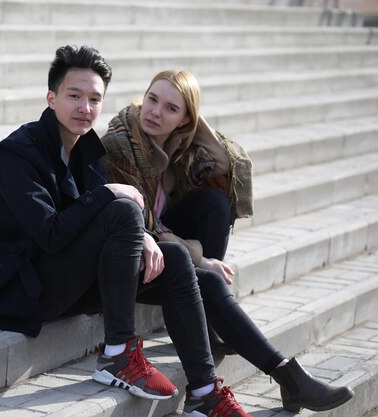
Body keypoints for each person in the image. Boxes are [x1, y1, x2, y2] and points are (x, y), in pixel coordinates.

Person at [0, 45, 255, 417]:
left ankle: (205, 393)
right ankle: (118, 354)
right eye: (74, 96)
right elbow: (50, 233)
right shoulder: (17, 153)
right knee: (122, 207)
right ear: (51, 97)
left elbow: (94, 220)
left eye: (95, 99)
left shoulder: (86, 148)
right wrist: (109, 195)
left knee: (173, 256)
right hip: (31, 285)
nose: (85, 107)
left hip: (75, 278)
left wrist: (141, 235)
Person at [101, 68, 355, 413]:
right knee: (204, 277)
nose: (155, 112)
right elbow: (144, 224)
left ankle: (285, 376)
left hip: (163, 249)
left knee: (214, 201)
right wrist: (201, 259)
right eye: (152, 99)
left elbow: (225, 163)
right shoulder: (119, 144)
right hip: (131, 259)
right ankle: (288, 378)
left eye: (171, 108)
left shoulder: (176, 142)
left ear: (185, 120)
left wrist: (193, 122)